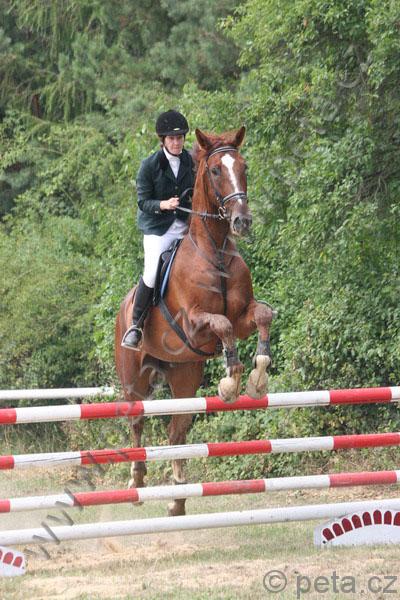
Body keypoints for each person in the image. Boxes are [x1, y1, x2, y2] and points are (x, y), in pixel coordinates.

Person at [121, 110, 195, 350]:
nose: (176, 143)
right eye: (171, 139)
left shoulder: (191, 161)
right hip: (158, 229)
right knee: (152, 271)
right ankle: (135, 325)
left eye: (180, 138)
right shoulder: (150, 165)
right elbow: (143, 202)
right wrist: (163, 204)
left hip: (184, 225)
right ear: (163, 140)